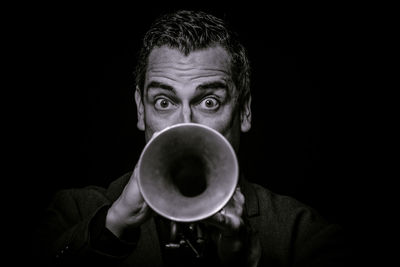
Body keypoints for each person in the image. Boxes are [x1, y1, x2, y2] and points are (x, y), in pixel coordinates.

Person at [33, 10, 348, 266]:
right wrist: (113, 224)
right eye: (164, 102)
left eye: (209, 102)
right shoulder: (73, 212)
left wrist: (249, 260)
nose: (185, 125)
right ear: (141, 111)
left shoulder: (302, 233)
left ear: (245, 111)